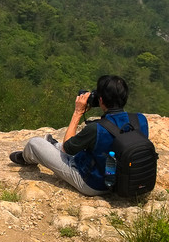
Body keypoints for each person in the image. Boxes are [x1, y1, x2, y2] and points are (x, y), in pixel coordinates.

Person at [8, 75, 149, 196]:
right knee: (86, 145)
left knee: (35, 143)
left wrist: (78, 112)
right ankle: (52, 145)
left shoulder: (96, 128)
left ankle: (28, 157)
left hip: (93, 184)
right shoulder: (140, 120)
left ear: (100, 100)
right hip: (123, 179)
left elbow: (67, 149)